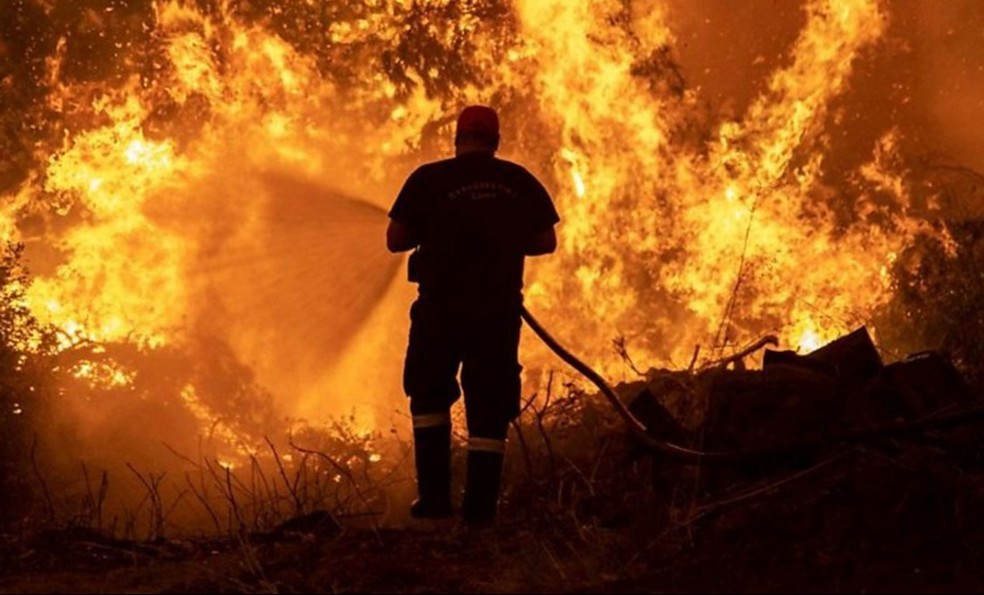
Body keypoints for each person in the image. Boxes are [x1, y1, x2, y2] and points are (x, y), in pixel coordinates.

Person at [387, 105, 560, 524]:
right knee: (489, 405)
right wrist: (500, 242)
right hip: (495, 312)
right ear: (495, 141)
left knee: (429, 396)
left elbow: (396, 240)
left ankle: (434, 503)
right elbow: (545, 241)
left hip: (439, 310)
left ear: (458, 138)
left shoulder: (429, 179)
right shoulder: (516, 181)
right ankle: (480, 512)